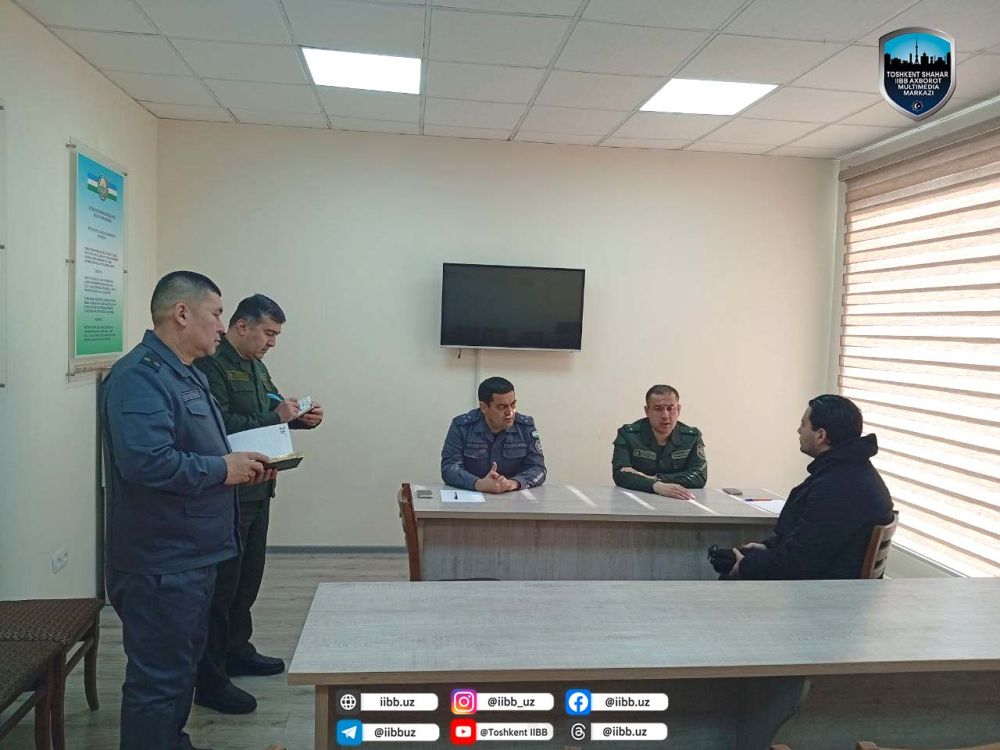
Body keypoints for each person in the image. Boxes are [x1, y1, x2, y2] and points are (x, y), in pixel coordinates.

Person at [100, 271, 273, 750]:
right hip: (161, 562)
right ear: (181, 313)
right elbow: (146, 463)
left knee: (179, 671)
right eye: (216, 313)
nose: (221, 325)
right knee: (158, 681)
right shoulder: (139, 378)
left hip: (194, 555)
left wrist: (239, 464)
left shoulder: (187, 372)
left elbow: (200, 447)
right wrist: (222, 469)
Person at [193, 294, 324, 715]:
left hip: (258, 487)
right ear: (242, 326)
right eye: (268, 333)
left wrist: (298, 417)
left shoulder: (256, 365)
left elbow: (269, 407)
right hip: (227, 492)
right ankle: (210, 679)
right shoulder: (212, 365)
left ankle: (237, 650)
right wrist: (276, 417)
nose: (272, 342)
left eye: (276, 335)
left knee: (247, 580)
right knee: (222, 587)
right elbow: (218, 426)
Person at [726, 394, 895, 580]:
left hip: (825, 590)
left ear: (821, 435)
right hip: (830, 581)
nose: (799, 430)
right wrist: (767, 547)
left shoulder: (838, 487)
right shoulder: (851, 470)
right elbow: (811, 539)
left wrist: (747, 565)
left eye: (803, 425)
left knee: (727, 581)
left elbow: (799, 562)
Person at [441, 376, 546, 492]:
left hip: (513, 496)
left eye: (513, 404)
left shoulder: (525, 427)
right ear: (484, 407)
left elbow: (538, 468)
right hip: (472, 495)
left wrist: (512, 483)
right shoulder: (462, 427)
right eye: (502, 407)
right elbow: (449, 468)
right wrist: (478, 484)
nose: (510, 412)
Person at [612, 385, 706, 500]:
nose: (665, 415)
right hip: (637, 501)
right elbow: (620, 474)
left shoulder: (691, 437)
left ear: (678, 409)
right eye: (658, 409)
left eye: (670, 408)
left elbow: (699, 476)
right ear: (647, 411)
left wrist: (655, 478)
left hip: (680, 501)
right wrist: (655, 486)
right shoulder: (628, 435)